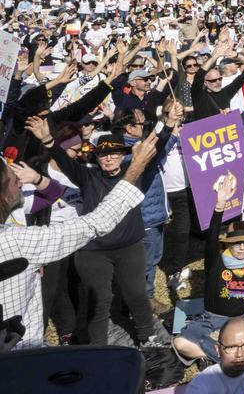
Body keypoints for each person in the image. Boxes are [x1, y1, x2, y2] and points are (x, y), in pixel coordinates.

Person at [0, 131, 159, 349]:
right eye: (103, 154)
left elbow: (52, 192)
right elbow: (97, 221)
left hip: (128, 247)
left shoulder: (19, 238)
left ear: (123, 155)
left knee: (136, 294)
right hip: (93, 251)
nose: (109, 158)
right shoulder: (89, 177)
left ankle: (148, 338)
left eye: (114, 153)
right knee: (97, 302)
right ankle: (98, 350)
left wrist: (166, 125)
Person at [173, 178, 244, 365]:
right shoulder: (217, 262)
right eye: (236, 243)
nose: (242, 248)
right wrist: (220, 204)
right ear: (227, 244)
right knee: (180, 342)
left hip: (242, 320)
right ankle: (228, 357)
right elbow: (212, 237)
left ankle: (220, 354)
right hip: (212, 320)